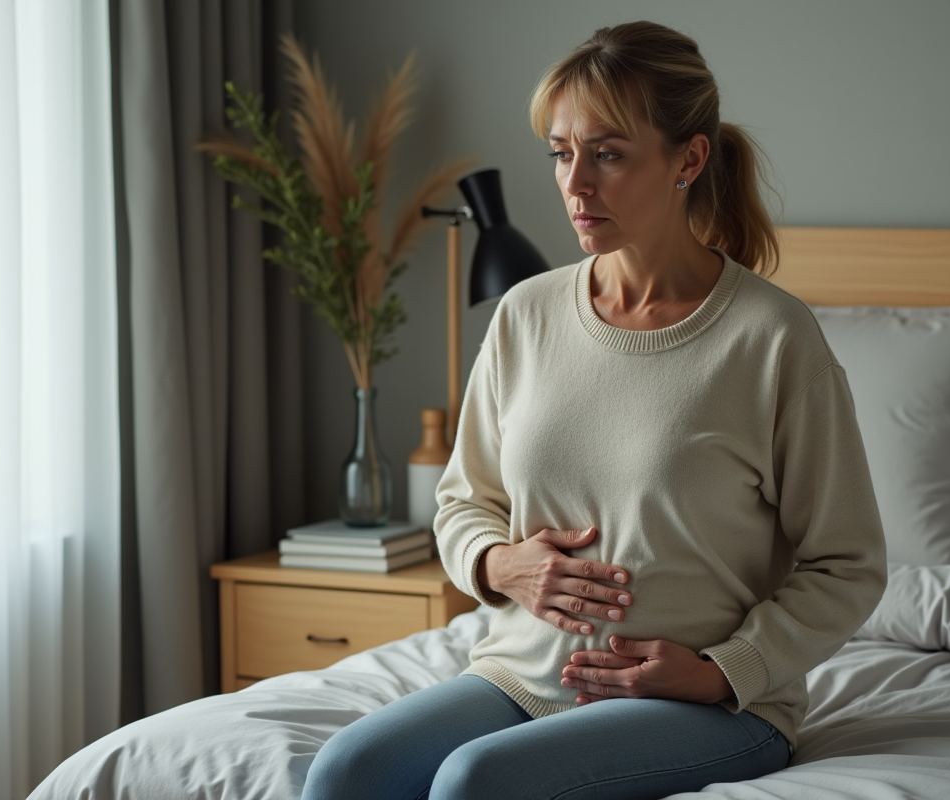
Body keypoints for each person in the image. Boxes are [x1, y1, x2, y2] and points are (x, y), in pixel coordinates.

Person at [300, 20, 886, 800]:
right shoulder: (525, 315)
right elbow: (463, 501)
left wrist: (721, 672)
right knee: (345, 770)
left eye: (607, 153)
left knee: (477, 781)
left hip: (706, 704)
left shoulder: (772, 337)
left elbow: (847, 562)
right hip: (520, 675)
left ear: (690, 158)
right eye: (561, 152)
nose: (575, 183)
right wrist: (500, 563)